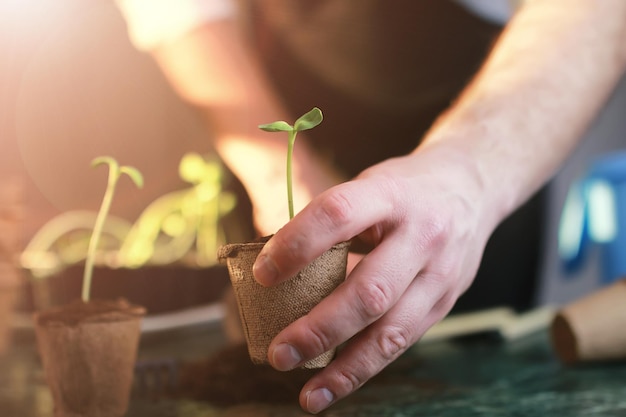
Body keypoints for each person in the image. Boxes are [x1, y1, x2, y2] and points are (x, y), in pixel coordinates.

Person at [115, 0, 626, 413]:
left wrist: (466, 176)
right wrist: (277, 172)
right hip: (269, 120)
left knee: (450, 375)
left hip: (484, 136)